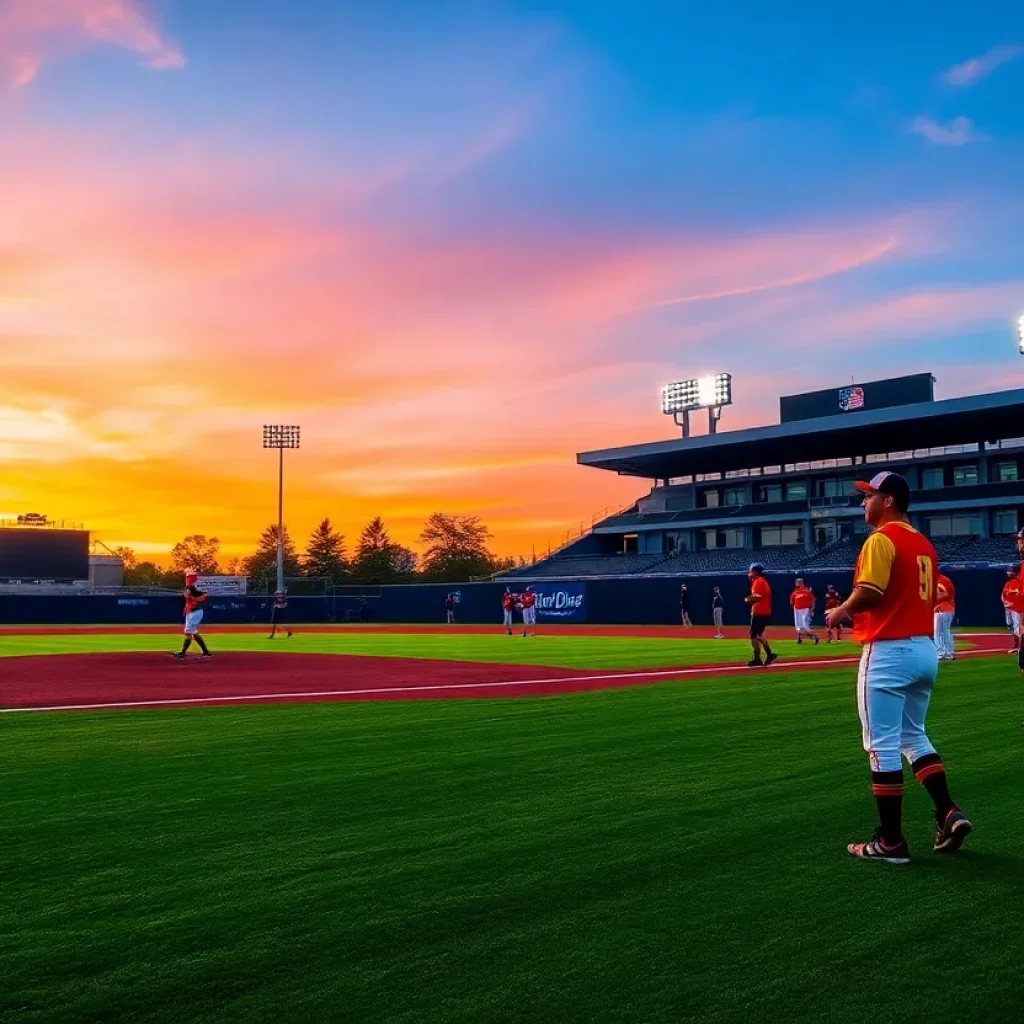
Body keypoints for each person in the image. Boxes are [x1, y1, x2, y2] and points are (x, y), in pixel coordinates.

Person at [826, 471, 971, 864]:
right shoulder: (924, 543)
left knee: (881, 746)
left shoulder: (881, 539)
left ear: (887, 500)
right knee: (913, 737)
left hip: (888, 650)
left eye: (868, 496)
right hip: (924, 649)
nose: (863, 502)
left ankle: (890, 841)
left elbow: (871, 591)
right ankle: (948, 812)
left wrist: (840, 609)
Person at [743, 563, 777, 668]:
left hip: (759, 611)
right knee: (758, 635)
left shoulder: (758, 582)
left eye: (751, 571)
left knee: (754, 635)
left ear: (755, 572)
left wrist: (747, 599)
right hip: (765, 611)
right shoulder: (763, 582)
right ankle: (769, 654)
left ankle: (758, 658)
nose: (749, 573)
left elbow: (757, 597)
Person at [173, 570, 211, 659]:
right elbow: (196, 596)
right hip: (192, 612)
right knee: (193, 632)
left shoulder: (191, 588)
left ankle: (183, 652)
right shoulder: (191, 588)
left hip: (194, 612)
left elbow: (199, 596)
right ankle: (205, 651)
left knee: (188, 632)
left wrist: (191, 597)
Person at [789, 578, 820, 645]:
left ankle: (815, 636)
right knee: (799, 627)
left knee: (805, 626)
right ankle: (800, 639)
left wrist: (811, 610)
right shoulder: (795, 592)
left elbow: (813, 600)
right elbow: (791, 602)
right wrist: (795, 609)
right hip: (797, 610)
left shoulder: (807, 591)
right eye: (796, 582)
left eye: (798, 582)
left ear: (802, 583)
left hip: (805, 610)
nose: (796, 584)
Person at [933, 572, 955, 661]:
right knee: (945, 632)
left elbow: (944, 593)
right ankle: (949, 653)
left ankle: (941, 653)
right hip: (947, 609)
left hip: (942, 609)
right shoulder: (945, 579)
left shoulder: (940, 580)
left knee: (938, 633)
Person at [1001, 569, 1020, 654]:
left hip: (1016, 608)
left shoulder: (1019, 583)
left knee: (1017, 627)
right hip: (1008, 608)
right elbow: (1003, 595)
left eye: (1011, 572)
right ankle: (1016, 645)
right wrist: (1005, 603)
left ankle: (1019, 646)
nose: (1008, 573)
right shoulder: (1007, 583)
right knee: (1010, 625)